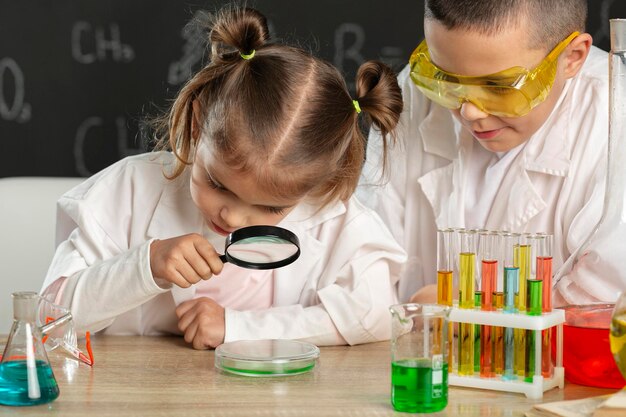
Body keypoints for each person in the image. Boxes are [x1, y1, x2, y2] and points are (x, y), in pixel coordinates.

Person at [40, 6, 406, 349]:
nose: (231, 217)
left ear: (315, 186)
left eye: (269, 207)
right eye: (217, 184)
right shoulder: (128, 191)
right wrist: (144, 266)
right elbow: (49, 320)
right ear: (197, 125)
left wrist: (238, 327)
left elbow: (377, 314)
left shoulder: (334, 217)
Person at [358, 0, 623, 306]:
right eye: (447, 80)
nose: (469, 111)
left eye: (498, 87)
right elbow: (365, 262)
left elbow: (609, 301)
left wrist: (477, 305)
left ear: (572, 57)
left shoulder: (616, 118)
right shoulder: (410, 95)